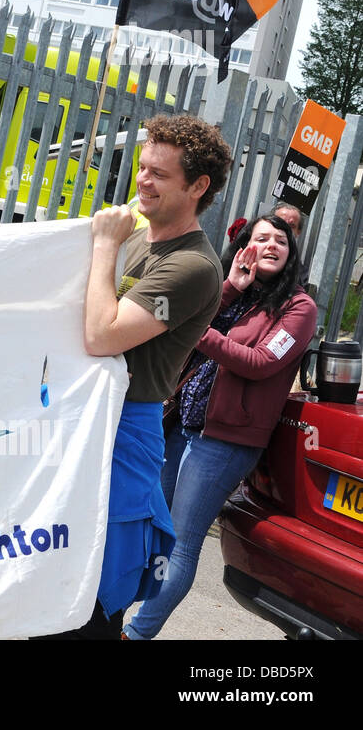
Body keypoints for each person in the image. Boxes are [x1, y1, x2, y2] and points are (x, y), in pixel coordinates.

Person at [71, 113, 232, 639]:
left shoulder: (194, 267)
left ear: (198, 186)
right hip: (84, 418)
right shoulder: (139, 239)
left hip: (126, 427)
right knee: (57, 570)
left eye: (159, 174)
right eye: (143, 168)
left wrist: (103, 247)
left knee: (96, 595)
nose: (143, 180)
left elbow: (101, 334)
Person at [125, 213, 315, 639]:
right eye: (261, 238)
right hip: (182, 425)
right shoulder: (236, 291)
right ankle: (113, 617)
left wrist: (195, 330)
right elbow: (201, 320)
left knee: (181, 543)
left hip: (225, 442)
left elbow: (260, 362)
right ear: (244, 247)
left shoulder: (299, 308)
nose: (271, 245)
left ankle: (136, 633)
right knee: (152, 530)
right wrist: (230, 286)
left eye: (280, 240)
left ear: (291, 253)